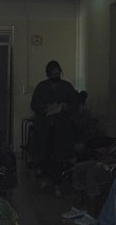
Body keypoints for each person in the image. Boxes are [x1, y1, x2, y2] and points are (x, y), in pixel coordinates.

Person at [29, 60, 79, 188]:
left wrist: (64, 108)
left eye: (57, 73)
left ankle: (58, 183)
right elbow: (34, 104)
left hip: (62, 127)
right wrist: (46, 107)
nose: (55, 77)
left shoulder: (67, 86)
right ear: (48, 74)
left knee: (59, 156)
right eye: (52, 74)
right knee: (44, 154)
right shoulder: (41, 87)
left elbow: (74, 105)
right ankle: (45, 179)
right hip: (44, 126)